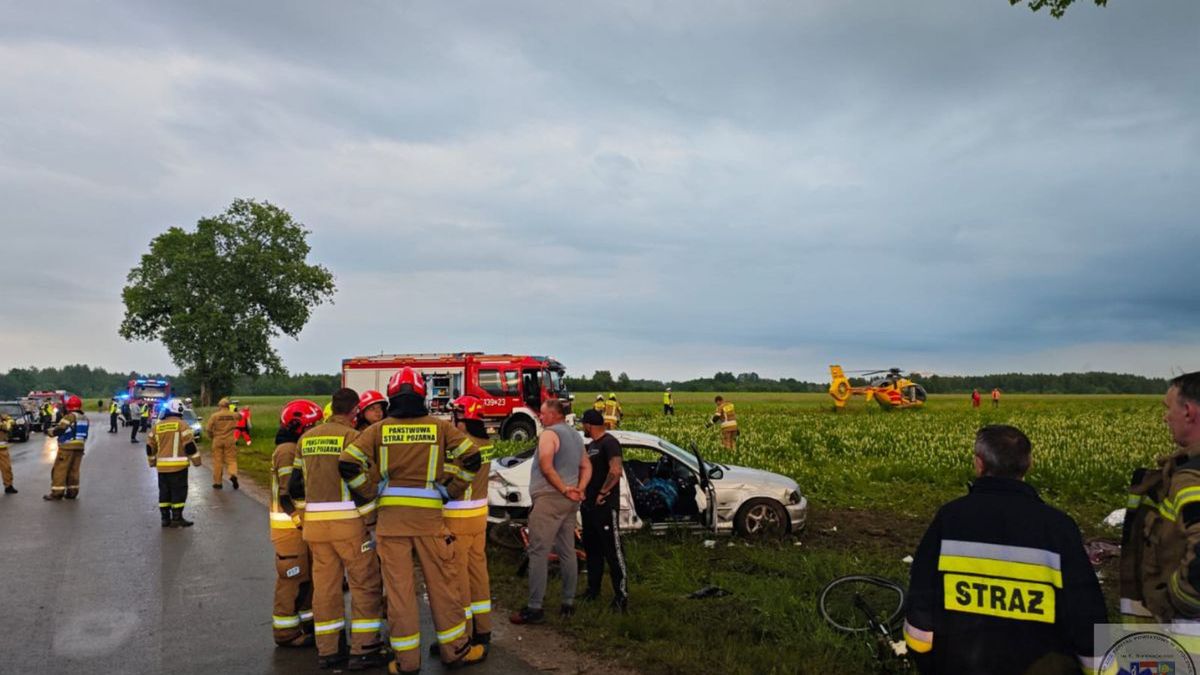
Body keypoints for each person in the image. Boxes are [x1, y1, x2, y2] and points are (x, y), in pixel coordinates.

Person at [904, 425, 1105, 674]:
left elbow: (922, 594)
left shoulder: (951, 517)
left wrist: (922, 655)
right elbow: (1084, 609)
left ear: (979, 464)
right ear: (1029, 464)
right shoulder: (1058, 527)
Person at [340, 368, 487, 673]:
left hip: (391, 524)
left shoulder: (379, 430)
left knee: (399, 594)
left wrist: (370, 492)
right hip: (431, 523)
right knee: (444, 588)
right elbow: (473, 458)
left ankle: (406, 662)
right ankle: (456, 651)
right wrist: (450, 490)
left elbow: (348, 463)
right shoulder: (440, 428)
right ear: (423, 395)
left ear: (392, 397)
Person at [290, 388, 389, 670]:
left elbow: (294, 486)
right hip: (348, 525)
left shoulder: (305, 439)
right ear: (355, 411)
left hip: (315, 529)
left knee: (325, 588)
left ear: (331, 408)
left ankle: (329, 650)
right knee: (365, 584)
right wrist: (371, 515)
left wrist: (304, 515)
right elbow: (363, 480)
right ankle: (364, 648)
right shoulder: (353, 437)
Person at [1121, 371, 1200, 625]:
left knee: (1153, 665)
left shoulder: (1191, 479)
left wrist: (1177, 600)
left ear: (1188, 411)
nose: (1166, 417)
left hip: (1185, 638)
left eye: (1169, 408)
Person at [511, 399, 591, 625]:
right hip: (568, 502)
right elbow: (586, 466)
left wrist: (565, 489)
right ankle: (568, 602)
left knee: (538, 551)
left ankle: (534, 608)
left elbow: (546, 466)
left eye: (543, 414)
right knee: (567, 550)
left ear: (555, 415)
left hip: (550, 498)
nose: (540, 417)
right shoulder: (575, 436)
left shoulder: (549, 434)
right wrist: (579, 489)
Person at [444, 395, 494, 651]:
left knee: (457, 577)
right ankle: (483, 629)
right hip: (478, 517)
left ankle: (464, 633)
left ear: (463, 417)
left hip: (457, 518)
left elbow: (445, 478)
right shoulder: (485, 443)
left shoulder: (460, 447)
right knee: (478, 573)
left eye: (456, 415)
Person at [270, 399, 319, 649]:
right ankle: (286, 633)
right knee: (292, 578)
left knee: (306, 577)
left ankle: (307, 623)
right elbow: (289, 493)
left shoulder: (292, 447)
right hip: (290, 527)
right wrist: (302, 521)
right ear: (300, 427)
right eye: (312, 426)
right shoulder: (288, 450)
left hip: (298, 525)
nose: (315, 431)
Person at [579, 409, 627, 611]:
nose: (583, 428)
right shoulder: (591, 446)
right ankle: (593, 590)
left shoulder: (609, 443)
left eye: (583, 425)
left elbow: (616, 470)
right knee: (593, 552)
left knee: (613, 553)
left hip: (605, 507)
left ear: (589, 425)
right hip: (589, 508)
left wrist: (603, 492)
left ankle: (621, 597)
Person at [146, 399, 202, 528]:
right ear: (180, 410)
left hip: (162, 468)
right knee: (179, 491)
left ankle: (165, 519)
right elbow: (189, 446)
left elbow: (150, 447)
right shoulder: (182, 425)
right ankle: (177, 518)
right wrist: (196, 461)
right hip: (178, 467)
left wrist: (152, 462)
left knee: (164, 492)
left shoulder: (157, 426)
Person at [44, 395, 89, 500]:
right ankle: (72, 492)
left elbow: (60, 429)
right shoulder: (84, 418)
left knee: (60, 470)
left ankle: (57, 493)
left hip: (67, 447)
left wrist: (49, 432)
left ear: (69, 406)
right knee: (74, 470)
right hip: (79, 447)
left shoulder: (70, 416)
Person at [205, 397, 241, 490]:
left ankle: (218, 483)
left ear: (220, 406)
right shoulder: (234, 415)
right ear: (228, 406)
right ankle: (233, 474)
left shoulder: (214, 416)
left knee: (218, 461)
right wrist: (235, 410)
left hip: (217, 440)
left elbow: (208, 429)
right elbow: (240, 416)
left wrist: (211, 436)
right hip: (230, 440)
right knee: (231, 460)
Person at [0, 412, 17, 494]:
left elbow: (10, 423)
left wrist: (7, 420)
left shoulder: (3, 417)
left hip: (2, 449)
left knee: (6, 468)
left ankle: (8, 486)